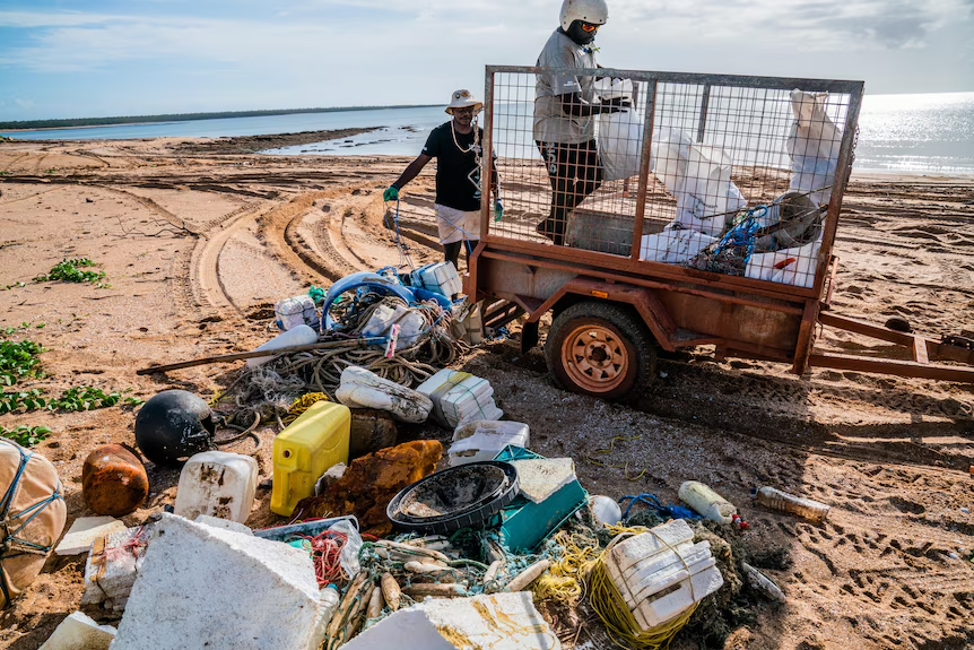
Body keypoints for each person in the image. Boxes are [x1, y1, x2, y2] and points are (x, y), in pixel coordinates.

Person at [534, 0, 626, 246]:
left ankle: (554, 222)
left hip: (581, 131)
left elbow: (589, 66)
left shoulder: (582, 43)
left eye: (597, 27)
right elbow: (571, 104)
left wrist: (608, 72)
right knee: (562, 187)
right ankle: (557, 239)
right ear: (570, 20)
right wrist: (607, 108)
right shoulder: (559, 51)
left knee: (593, 177)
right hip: (554, 133)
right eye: (587, 27)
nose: (593, 32)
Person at [383, 89, 500, 270]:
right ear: (452, 111)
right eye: (460, 110)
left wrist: (497, 198)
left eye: (468, 109)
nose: (465, 114)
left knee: (475, 256)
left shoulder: (482, 135)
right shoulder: (440, 133)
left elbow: (492, 169)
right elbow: (419, 163)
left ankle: (472, 297)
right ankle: (452, 295)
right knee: (451, 256)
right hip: (448, 206)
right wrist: (396, 185)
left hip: (476, 206)